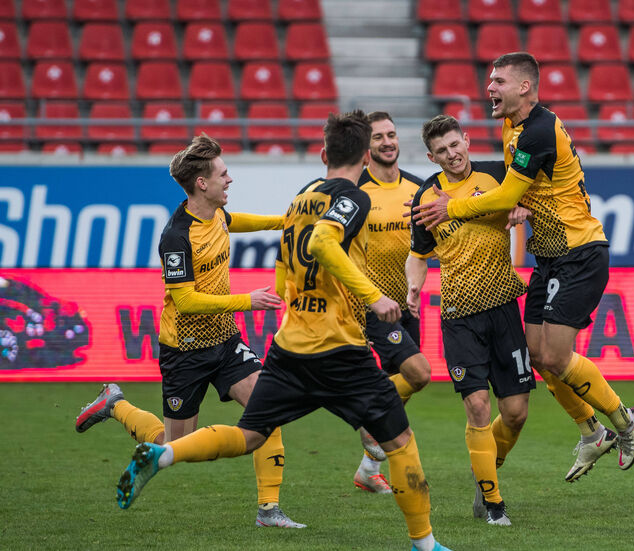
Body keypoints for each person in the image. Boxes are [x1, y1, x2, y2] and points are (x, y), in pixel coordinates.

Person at [114, 111, 452, 551]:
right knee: (401, 441)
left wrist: (282, 292)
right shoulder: (352, 198)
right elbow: (322, 243)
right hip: (338, 347)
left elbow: (287, 252)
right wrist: (373, 297)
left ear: (323, 153)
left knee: (251, 432)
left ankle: (166, 455)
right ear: (366, 155)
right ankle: (424, 544)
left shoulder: (303, 196)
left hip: (290, 347)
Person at [414, 52, 634, 482]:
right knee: (540, 356)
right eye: (490, 81)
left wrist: (455, 208)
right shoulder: (513, 126)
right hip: (549, 256)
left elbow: (503, 196)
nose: (490, 89)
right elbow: (517, 189)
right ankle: (590, 432)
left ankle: (625, 419)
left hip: (579, 251)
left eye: (498, 81)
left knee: (556, 355)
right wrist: (522, 202)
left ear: (524, 87)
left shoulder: (538, 130)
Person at [74, 134, 304, 528]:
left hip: (226, 342)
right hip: (185, 351)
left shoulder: (215, 215)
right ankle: (115, 404)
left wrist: (284, 222)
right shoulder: (176, 237)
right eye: (223, 173)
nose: (229, 179)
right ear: (202, 183)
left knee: (270, 408)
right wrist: (247, 300)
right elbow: (187, 302)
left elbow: (236, 222)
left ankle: (269, 510)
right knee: (173, 444)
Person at [409, 115, 535, 526]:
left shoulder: (498, 174)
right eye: (441, 151)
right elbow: (418, 252)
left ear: (466, 140)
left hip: (503, 307)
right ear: (432, 156)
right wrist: (413, 288)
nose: (451, 154)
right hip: (459, 315)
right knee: (478, 407)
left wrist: (520, 209)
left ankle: (484, 470)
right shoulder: (427, 198)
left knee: (515, 412)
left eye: (455, 144)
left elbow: (530, 200)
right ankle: (493, 502)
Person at [351, 111, 432, 495]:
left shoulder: (419, 191)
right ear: (366, 149)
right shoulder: (356, 194)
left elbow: (427, 249)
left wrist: (416, 288)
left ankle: (368, 470)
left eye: (392, 135)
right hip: (371, 308)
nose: (387, 142)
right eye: (378, 137)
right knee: (418, 374)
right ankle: (368, 421)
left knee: (400, 386)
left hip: (408, 305)